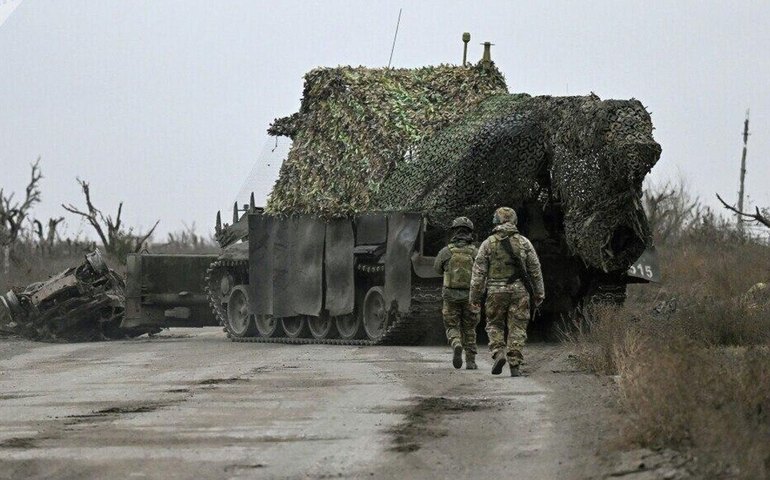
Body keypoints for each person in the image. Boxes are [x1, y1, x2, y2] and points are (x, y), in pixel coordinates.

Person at [469, 207, 545, 377]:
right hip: (520, 292)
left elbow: (478, 272)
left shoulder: (488, 243)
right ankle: (515, 365)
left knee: (494, 324)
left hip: (495, 291)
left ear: (496, 221)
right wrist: (539, 293)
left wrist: (474, 296)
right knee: (518, 327)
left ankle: (498, 352)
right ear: (514, 221)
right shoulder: (525, 243)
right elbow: (535, 269)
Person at [433, 217, 480, 370]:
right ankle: (471, 362)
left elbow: (437, 269)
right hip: (470, 296)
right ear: (470, 233)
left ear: (454, 232)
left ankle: (456, 343)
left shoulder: (446, 252)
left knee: (452, 324)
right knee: (470, 328)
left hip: (450, 296)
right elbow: (482, 272)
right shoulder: (475, 252)